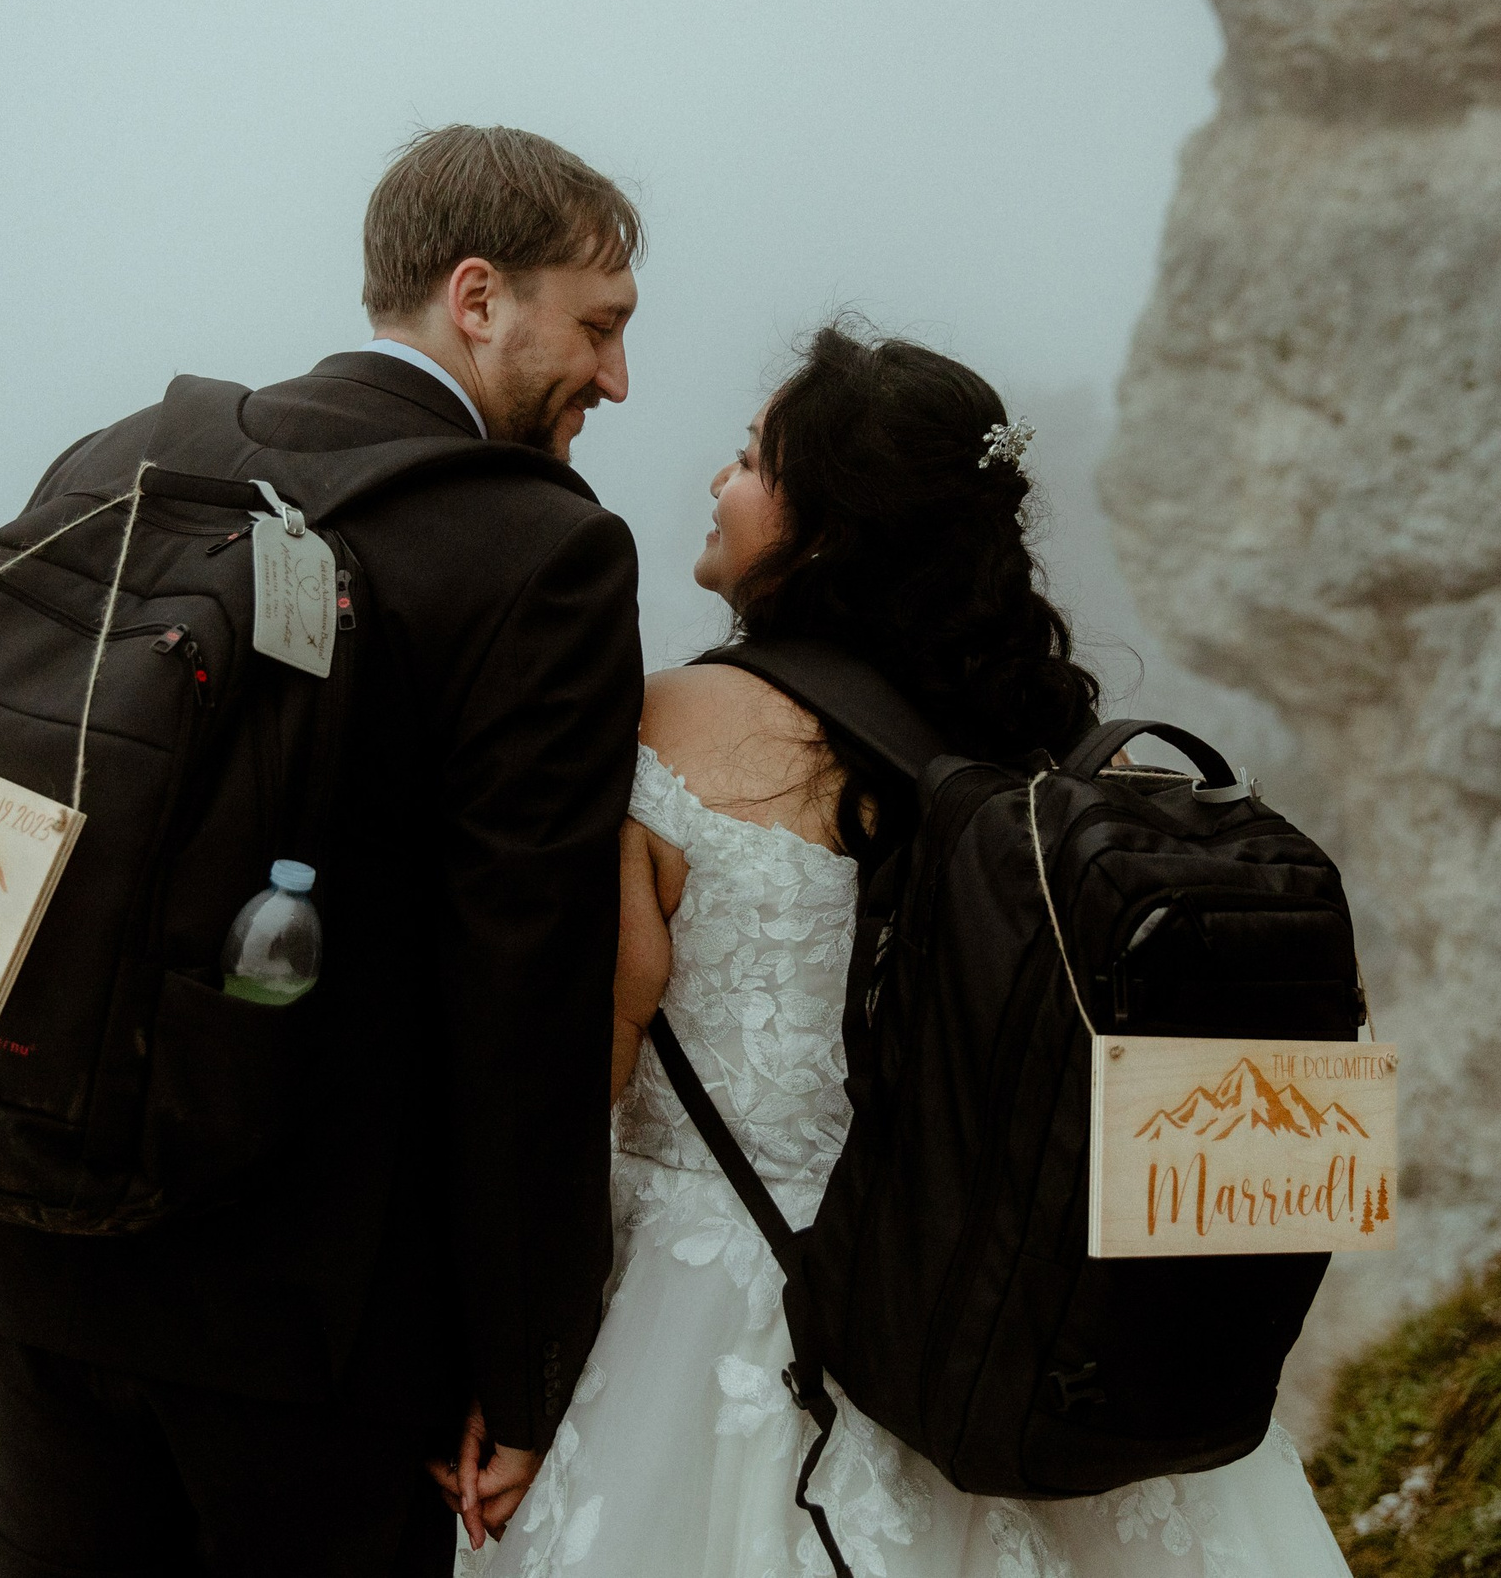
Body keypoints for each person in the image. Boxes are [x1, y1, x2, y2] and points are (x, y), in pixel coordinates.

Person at [451, 324, 1354, 1577]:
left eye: (752, 458)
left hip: (724, 1328)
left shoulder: (659, 726)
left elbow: (571, 1072)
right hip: (995, 1312)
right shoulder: (1032, 746)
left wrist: (512, 1363)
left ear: (823, 526)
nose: (718, 479)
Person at [0, 124, 647, 1577]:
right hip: (316, 1332)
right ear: (478, 295)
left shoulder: (120, 453)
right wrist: (527, 1354)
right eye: (603, 324)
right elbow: (524, 987)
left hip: (36, 1259)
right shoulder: (538, 552)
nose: (617, 379)